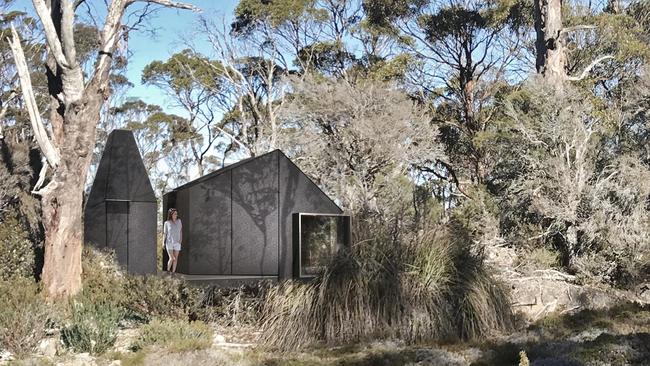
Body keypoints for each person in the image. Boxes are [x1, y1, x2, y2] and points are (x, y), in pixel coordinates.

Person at [163, 208, 182, 274]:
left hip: (177, 242)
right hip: (169, 242)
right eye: (175, 214)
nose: (176, 215)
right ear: (171, 214)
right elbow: (165, 233)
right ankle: (168, 271)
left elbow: (180, 231)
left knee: (175, 259)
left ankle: (173, 273)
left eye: (176, 214)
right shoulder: (167, 223)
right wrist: (163, 242)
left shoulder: (179, 221)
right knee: (172, 258)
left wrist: (180, 240)